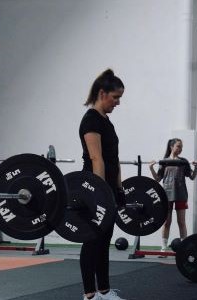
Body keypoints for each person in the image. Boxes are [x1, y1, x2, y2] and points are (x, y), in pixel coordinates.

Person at [79, 69, 126, 300]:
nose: (117, 103)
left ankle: (104, 292)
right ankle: (89, 295)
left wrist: (119, 189)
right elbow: (96, 158)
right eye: (115, 97)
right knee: (92, 240)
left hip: (107, 188)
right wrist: (101, 194)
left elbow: (114, 159)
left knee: (104, 240)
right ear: (102, 93)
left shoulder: (107, 122)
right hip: (93, 189)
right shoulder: (91, 120)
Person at [149, 138, 197, 256]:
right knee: (167, 222)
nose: (180, 149)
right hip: (166, 194)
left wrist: (196, 167)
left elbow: (192, 177)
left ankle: (185, 249)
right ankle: (164, 249)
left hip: (181, 194)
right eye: (178, 146)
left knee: (181, 222)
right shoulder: (164, 161)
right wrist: (151, 168)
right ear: (171, 147)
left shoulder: (184, 161)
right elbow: (157, 179)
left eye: (181, 147)